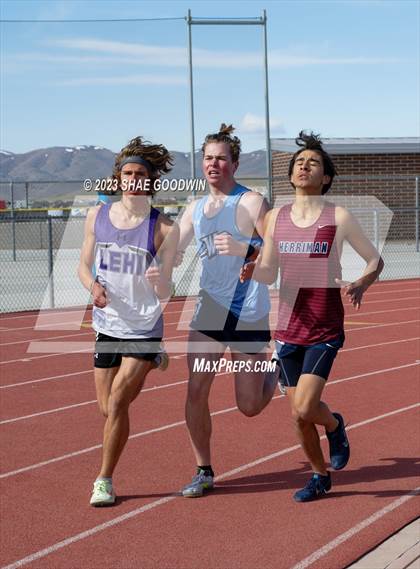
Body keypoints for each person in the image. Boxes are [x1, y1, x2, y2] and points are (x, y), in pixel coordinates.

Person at [241, 131, 384, 502]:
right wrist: (253, 270)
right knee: (299, 416)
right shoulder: (275, 218)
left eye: (313, 162)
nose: (305, 166)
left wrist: (362, 282)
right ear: (290, 175)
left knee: (305, 406)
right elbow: (270, 271)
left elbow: (375, 260)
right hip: (288, 327)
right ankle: (320, 475)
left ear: (326, 177)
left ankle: (335, 425)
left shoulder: (338, 216)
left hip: (324, 328)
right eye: (299, 162)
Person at [177, 124, 278, 498]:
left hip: (248, 309)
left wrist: (245, 251)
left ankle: (276, 366)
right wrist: (157, 262)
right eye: (208, 158)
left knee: (249, 406)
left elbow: (276, 250)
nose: (213, 163)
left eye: (221, 157)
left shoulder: (252, 202)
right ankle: (203, 469)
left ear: (234, 163)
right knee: (195, 388)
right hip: (211, 309)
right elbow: (173, 248)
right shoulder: (196, 208)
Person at [78, 136, 179, 506]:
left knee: (119, 403)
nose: (133, 179)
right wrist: (93, 288)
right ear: (119, 178)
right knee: (106, 408)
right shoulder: (96, 216)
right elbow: (83, 266)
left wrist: (160, 279)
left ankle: (103, 480)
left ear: (150, 182)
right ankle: (154, 361)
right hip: (107, 324)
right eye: (128, 173)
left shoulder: (164, 227)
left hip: (143, 326)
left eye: (140, 174)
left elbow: (169, 284)